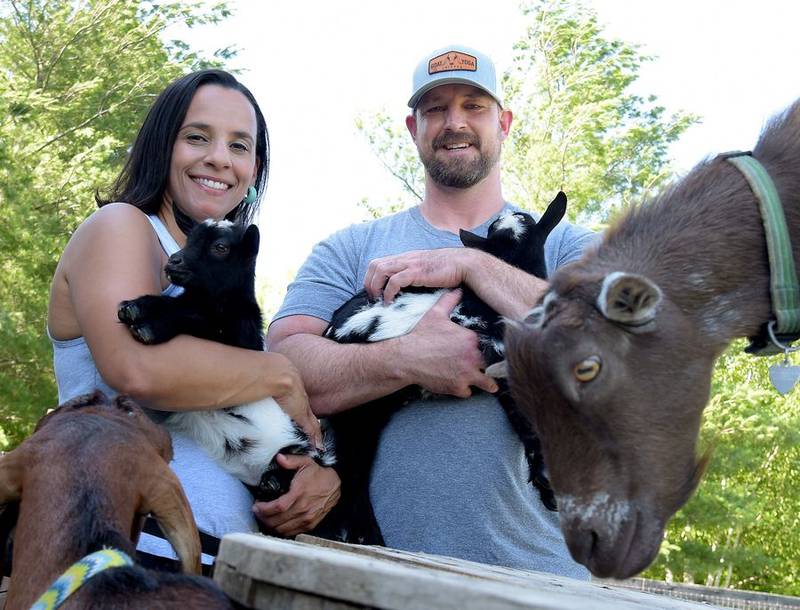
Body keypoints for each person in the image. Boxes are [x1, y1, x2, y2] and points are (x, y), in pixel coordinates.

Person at [267, 45, 595, 578]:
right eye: (436, 109)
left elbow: (615, 352)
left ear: (504, 123)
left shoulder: (566, 248)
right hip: (366, 572)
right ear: (412, 127)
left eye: (474, 106)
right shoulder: (352, 249)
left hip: (539, 578)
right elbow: (281, 370)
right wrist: (407, 359)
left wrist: (473, 266)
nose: (454, 122)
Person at [46, 69, 341, 569]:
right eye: (197, 137)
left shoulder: (216, 282)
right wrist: (281, 374)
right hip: (123, 555)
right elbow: (136, 369)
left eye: (240, 146)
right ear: (163, 147)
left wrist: (316, 478)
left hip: (220, 568)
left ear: (254, 170)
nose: (219, 158)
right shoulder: (122, 226)